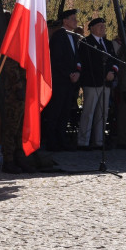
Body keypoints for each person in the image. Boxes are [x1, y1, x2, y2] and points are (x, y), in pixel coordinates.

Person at [42, 9, 81, 151]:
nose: (76, 21)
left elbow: (77, 58)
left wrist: (77, 72)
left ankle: (62, 139)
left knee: (65, 112)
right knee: (55, 112)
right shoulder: (59, 36)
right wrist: (69, 74)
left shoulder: (74, 37)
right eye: (73, 18)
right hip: (60, 81)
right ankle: (52, 142)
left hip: (70, 81)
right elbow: (56, 60)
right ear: (65, 21)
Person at [77, 18, 118, 149]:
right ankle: (83, 141)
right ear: (92, 28)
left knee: (102, 113)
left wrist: (113, 73)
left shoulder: (108, 43)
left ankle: (99, 141)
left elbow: (114, 60)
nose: (102, 28)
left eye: (103, 26)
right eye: (100, 26)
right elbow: (88, 63)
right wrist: (105, 73)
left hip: (106, 83)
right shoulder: (86, 42)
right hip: (92, 82)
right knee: (88, 113)